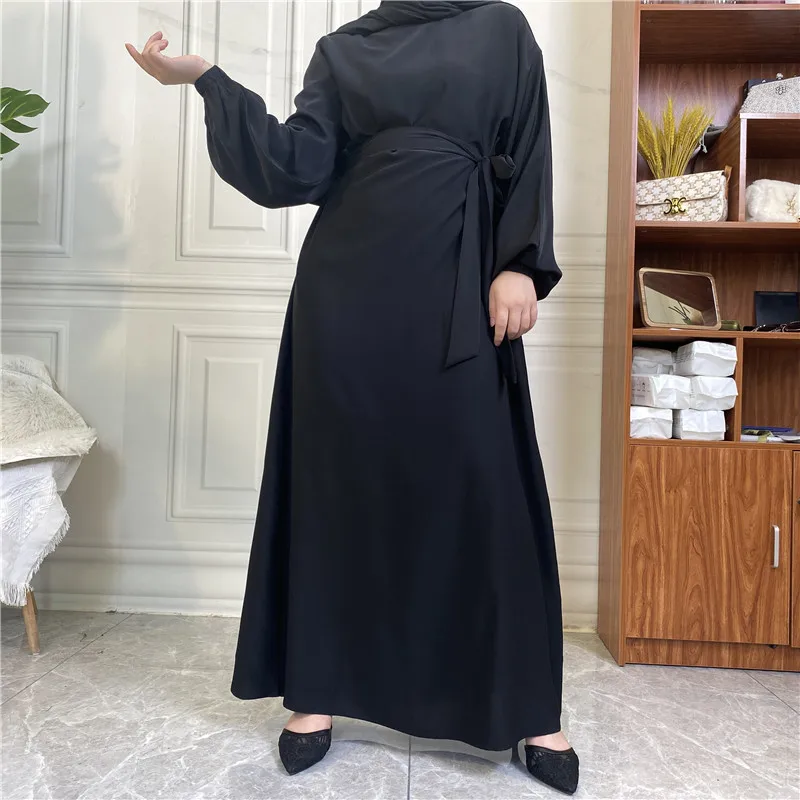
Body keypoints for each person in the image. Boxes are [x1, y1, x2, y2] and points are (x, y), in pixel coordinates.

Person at [126, 1, 579, 794]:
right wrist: (207, 81)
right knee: (341, 485)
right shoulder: (344, 48)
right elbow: (298, 166)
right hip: (349, 290)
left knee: (484, 487)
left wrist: (518, 262)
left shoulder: (501, 26)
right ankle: (319, 691)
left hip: (462, 275)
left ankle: (528, 708)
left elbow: (529, 143)